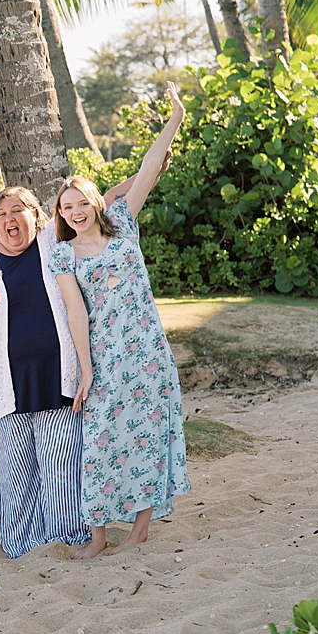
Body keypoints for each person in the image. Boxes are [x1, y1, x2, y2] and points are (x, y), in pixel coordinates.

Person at [51, 84, 190, 559]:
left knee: (147, 433)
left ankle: (140, 530)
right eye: (67, 208)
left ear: (95, 203)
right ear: (63, 215)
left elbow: (149, 168)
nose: (76, 212)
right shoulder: (62, 254)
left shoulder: (124, 222)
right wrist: (86, 371)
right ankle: (97, 535)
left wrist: (175, 116)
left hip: (148, 348)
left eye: (81, 203)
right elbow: (75, 311)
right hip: (107, 356)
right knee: (102, 441)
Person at [0, 187, 93, 560]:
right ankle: (22, 547)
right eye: (1, 213)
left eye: (18, 210)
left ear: (35, 216)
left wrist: (148, 172)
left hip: (59, 377)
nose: (10, 218)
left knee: (61, 466)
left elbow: (99, 205)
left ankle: (67, 538)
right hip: (6, 385)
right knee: (16, 472)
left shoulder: (52, 240)